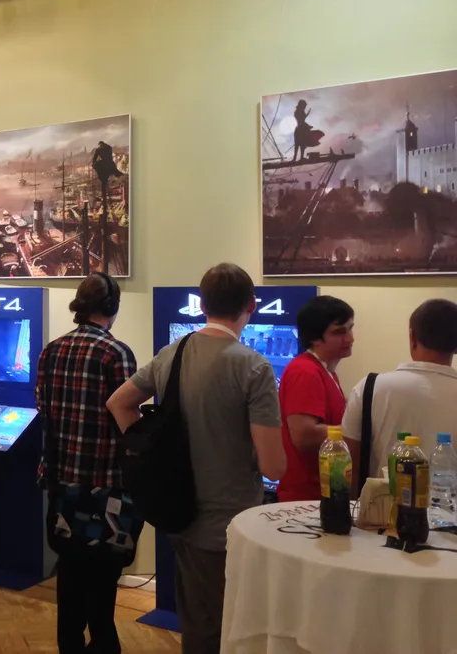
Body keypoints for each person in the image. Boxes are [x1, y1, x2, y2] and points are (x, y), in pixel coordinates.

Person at [106, 263, 286, 654]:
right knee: (229, 629)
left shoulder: (173, 353)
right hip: (232, 523)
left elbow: (118, 402)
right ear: (251, 305)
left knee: (198, 622)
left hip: (179, 511)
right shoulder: (254, 367)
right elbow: (273, 466)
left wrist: (149, 448)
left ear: (202, 305)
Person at [37, 273, 136, 654]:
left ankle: (70, 645)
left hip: (61, 481)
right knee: (103, 576)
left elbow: (42, 407)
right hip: (105, 487)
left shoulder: (51, 350)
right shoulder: (117, 353)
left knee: (70, 570)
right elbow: (128, 422)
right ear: (112, 307)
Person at [343, 299, 457, 483]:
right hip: (447, 501)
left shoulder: (369, 388)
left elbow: (349, 468)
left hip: (382, 501)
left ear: (412, 337)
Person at [276, 296, 354, 502]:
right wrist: (358, 434)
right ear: (314, 338)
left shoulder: (325, 371)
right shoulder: (305, 371)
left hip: (323, 491)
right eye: (339, 332)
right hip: (306, 497)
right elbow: (304, 435)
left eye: (350, 329)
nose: (350, 338)